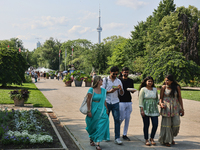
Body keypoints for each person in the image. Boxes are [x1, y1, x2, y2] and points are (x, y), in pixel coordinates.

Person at [158, 74, 184, 147]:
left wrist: (182, 109)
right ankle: (167, 140)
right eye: (165, 80)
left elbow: (180, 98)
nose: (166, 81)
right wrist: (161, 104)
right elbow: (161, 98)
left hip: (175, 107)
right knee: (167, 125)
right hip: (166, 108)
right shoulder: (163, 87)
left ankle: (171, 137)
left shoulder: (177, 87)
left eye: (168, 80)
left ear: (172, 81)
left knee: (176, 124)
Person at [85, 76, 110, 150]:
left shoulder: (103, 90)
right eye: (101, 80)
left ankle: (98, 143)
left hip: (102, 110)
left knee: (101, 125)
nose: (102, 81)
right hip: (93, 109)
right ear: (97, 81)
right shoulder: (91, 90)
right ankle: (91, 138)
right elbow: (88, 100)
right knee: (92, 126)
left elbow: (104, 101)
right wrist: (89, 111)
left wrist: (106, 109)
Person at [101, 66, 124, 145]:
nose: (115, 75)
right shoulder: (105, 80)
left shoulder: (118, 81)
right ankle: (105, 136)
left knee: (117, 120)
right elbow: (102, 91)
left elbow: (121, 93)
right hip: (107, 102)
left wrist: (120, 89)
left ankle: (117, 137)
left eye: (117, 74)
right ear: (110, 72)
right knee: (105, 119)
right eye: (114, 74)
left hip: (115, 102)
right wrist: (109, 91)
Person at [138, 76, 159, 146]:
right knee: (146, 125)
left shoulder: (155, 89)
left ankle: (152, 138)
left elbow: (157, 100)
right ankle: (146, 139)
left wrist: (161, 103)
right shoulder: (143, 89)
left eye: (151, 81)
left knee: (155, 124)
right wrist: (142, 110)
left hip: (154, 109)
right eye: (149, 81)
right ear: (146, 82)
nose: (150, 82)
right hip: (145, 109)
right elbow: (140, 100)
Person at [118, 67, 134, 141]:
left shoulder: (131, 80)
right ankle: (117, 130)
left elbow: (132, 89)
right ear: (122, 72)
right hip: (121, 101)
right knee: (122, 117)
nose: (126, 73)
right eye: (124, 72)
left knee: (127, 118)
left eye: (127, 72)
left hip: (128, 100)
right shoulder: (119, 80)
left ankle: (125, 134)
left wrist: (132, 91)